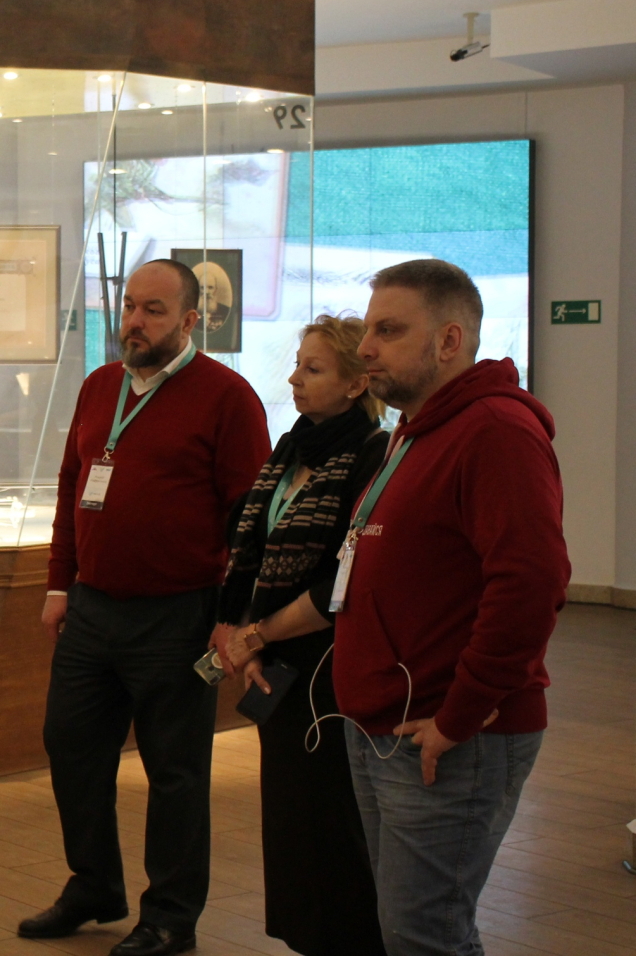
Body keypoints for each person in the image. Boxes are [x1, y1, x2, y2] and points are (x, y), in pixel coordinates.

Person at [20, 259, 269, 956]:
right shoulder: (100, 386)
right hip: (92, 610)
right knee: (70, 746)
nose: (134, 321)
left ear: (191, 320)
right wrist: (59, 584)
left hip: (178, 616)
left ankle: (170, 916)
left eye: (153, 310)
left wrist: (233, 617)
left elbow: (250, 521)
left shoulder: (227, 397)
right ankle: (94, 884)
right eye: (129, 306)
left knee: (175, 771)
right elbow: (72, 486)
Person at [331, 260, 567, 956]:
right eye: (368, 329)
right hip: (385, 723)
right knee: (410, 931)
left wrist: (460, 714)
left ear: (449, 340)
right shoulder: (414, 429)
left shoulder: (495, 430)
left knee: (425, 936)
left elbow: (531, 583)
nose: (365, 347)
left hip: (450, 734)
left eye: (388, 331)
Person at [215, 315, 389, 956]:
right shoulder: (290, 450)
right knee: (292, 821)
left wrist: (258, 635)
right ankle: (308, 938)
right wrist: (241, 630)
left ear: (355, 383)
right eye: (296, 364)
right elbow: (252, 551)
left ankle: (351, 940)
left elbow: (342, 579)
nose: (294, 379)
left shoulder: (371, 454)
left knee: (332, 822)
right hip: (276, 660)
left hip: (327, 663)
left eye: (313, 369)